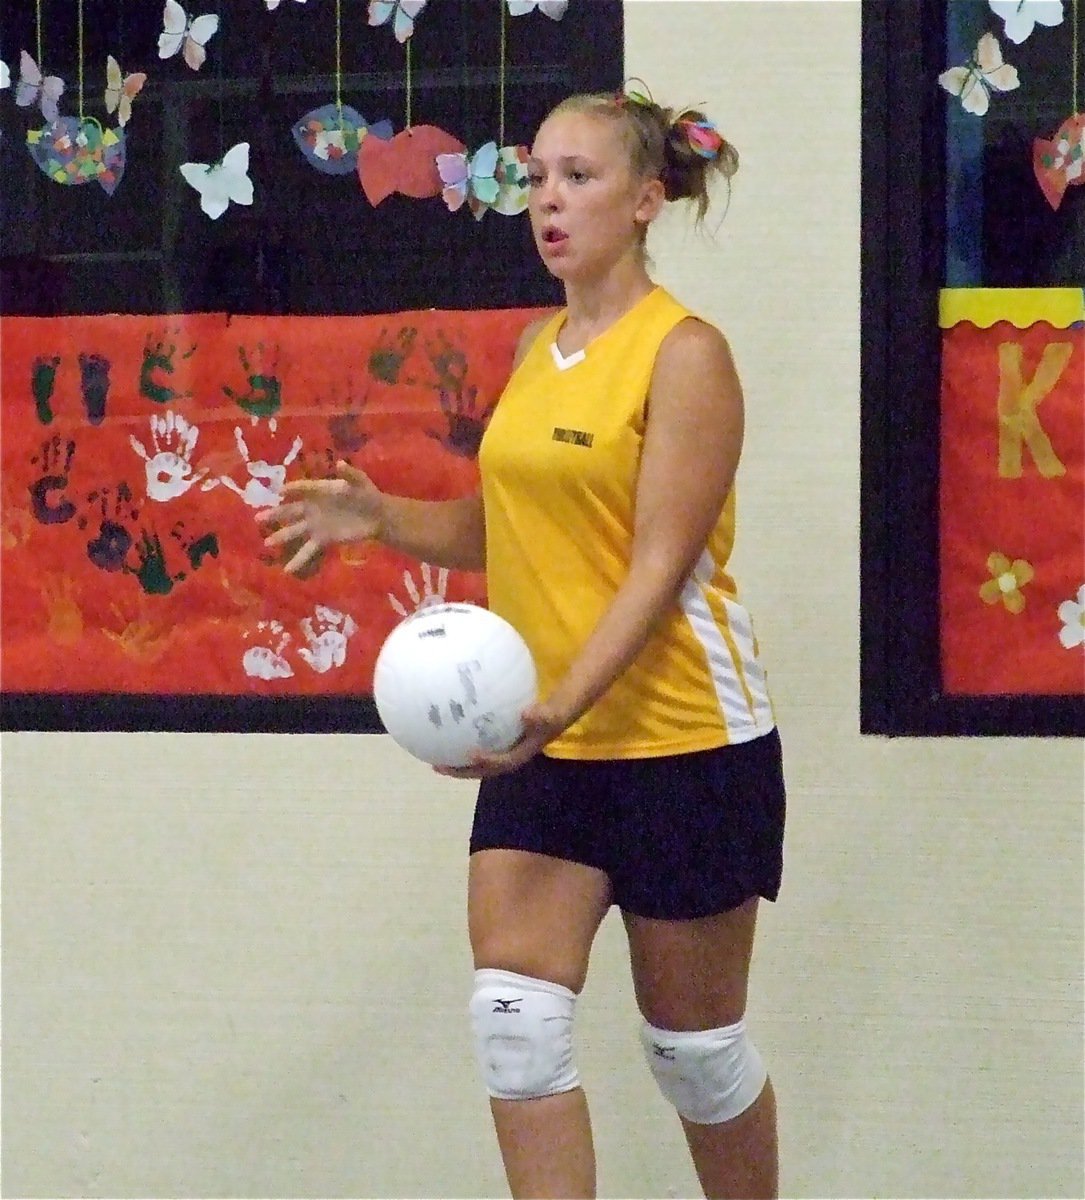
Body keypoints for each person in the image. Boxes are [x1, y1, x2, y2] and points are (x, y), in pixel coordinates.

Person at [259, 85, 786, 1200]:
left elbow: (653, 567)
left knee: (692, 1056)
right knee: (514, 1026)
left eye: (578, 178)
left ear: (645, 200)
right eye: (535, 178)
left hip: (681, 742)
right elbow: (510, 531)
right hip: (547, 744)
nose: (547, 201)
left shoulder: (683, 354)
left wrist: (557, 707)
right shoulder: (539, 348)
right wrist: (383, 517)